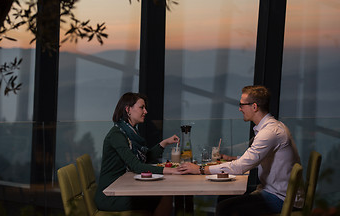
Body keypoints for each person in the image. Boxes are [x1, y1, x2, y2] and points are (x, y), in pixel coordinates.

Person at [178, 85, 304, 216]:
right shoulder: (272, 127)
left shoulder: (269, 132)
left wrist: (200, 169)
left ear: (254, 107)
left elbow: (241, 167)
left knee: (225, 208)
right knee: (223, 199)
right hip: (276, 192)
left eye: (242, 105)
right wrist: (232, 159)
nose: (239, 109)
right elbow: (254, 158)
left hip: (281, 199)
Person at [95, 92, 179, 216]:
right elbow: (137, 166)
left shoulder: (131, 133)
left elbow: (145, 158)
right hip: (110, 195)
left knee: (162, 193)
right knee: (163, 195)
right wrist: (172, 171)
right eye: (141, 107)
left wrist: (165, 143)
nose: (145, 111)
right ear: (128, 109)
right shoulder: (117, 135)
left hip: (123, 188)